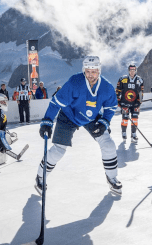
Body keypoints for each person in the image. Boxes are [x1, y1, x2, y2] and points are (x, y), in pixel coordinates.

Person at [36, 56, 121, 195]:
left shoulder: (106, 87)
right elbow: (56, 102)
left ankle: (112, 177)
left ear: (99, 71)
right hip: (68, 116)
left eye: (94, 71)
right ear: (84, 71)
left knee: (108, 144)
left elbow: (111, 108)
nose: (91, 75)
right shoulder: (74, 82)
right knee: (58, 150)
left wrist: (104, 123)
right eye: (88, 71)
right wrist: (47, 122)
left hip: (91, 118)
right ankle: (40, 176)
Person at [115, 62, 144, 143]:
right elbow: (118, 90)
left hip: (135, 104)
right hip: (125, 103)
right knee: (125, 119)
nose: (132, 72)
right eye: (131, 70)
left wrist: (140, 101)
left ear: (136, 70)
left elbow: (141, 92)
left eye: (134, 70)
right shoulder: (122, 79)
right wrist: (118, 100)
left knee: (135, 119)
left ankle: (133, 135)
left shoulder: (139, 80)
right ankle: (124, 133)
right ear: (128, 70)